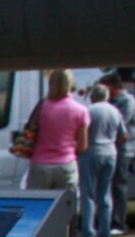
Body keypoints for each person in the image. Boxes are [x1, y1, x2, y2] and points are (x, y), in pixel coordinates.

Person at [25, 69, 89, 199]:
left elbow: (29, 130)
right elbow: (82, 146)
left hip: (40, 165)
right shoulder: (80, 110)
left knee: (37, 208)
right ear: (71, 84)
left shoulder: (41, 107)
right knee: (65, 212)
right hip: (66, 164)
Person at [79, 82, 127, 237]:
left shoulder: (89, 110)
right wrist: (114, 144)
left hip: (91, 151)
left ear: (93, 96)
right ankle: (105, 229)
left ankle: (88, 230)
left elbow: (82, 132)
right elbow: (123, 135)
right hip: (110, 152)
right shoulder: (115, 111)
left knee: (88, 192)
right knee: (105, 192)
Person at [104, 70, 135, 234]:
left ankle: (120, 223)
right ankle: (111, 220)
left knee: (119, 185)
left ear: (114, 87)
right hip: (112, 149)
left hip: (123, 150)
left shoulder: (126, 101)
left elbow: (119, 123)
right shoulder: (112, 101)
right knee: (111, 186)